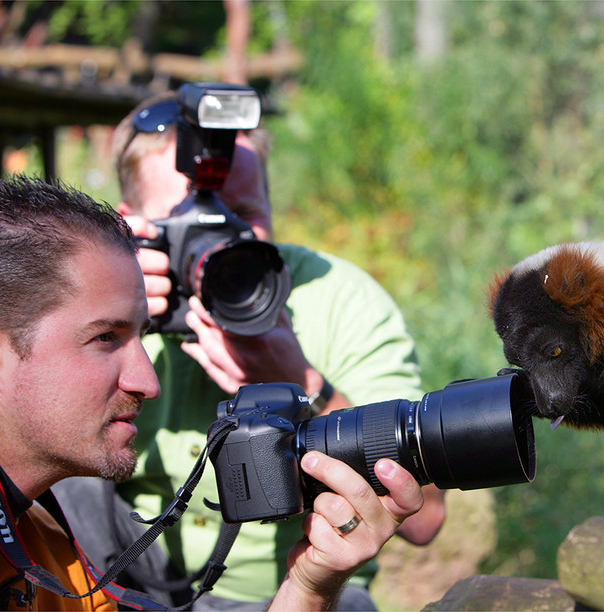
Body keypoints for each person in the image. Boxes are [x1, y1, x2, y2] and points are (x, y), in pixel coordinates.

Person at [51, 91, 446, 609]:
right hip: (125, 574)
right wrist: (110, 316)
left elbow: (427, 519)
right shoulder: (102, 293)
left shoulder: (340, 299)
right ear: (130, 226)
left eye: (242, 215)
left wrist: (306, 385)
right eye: (191, 222)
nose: (224, 245)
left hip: (296, 589)